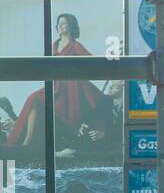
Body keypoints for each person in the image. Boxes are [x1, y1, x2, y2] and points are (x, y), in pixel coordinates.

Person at [6, 13, 113, 151]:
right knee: (32, 99)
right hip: (56, 86)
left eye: (64, 23)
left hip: (72, 89)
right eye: (58, 24)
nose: (60, 26)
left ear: (71, 26)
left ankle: (28, 142)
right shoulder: (54, 45)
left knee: (38, 101)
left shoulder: (75, 45)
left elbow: (91, 63)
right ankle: (26, 141)